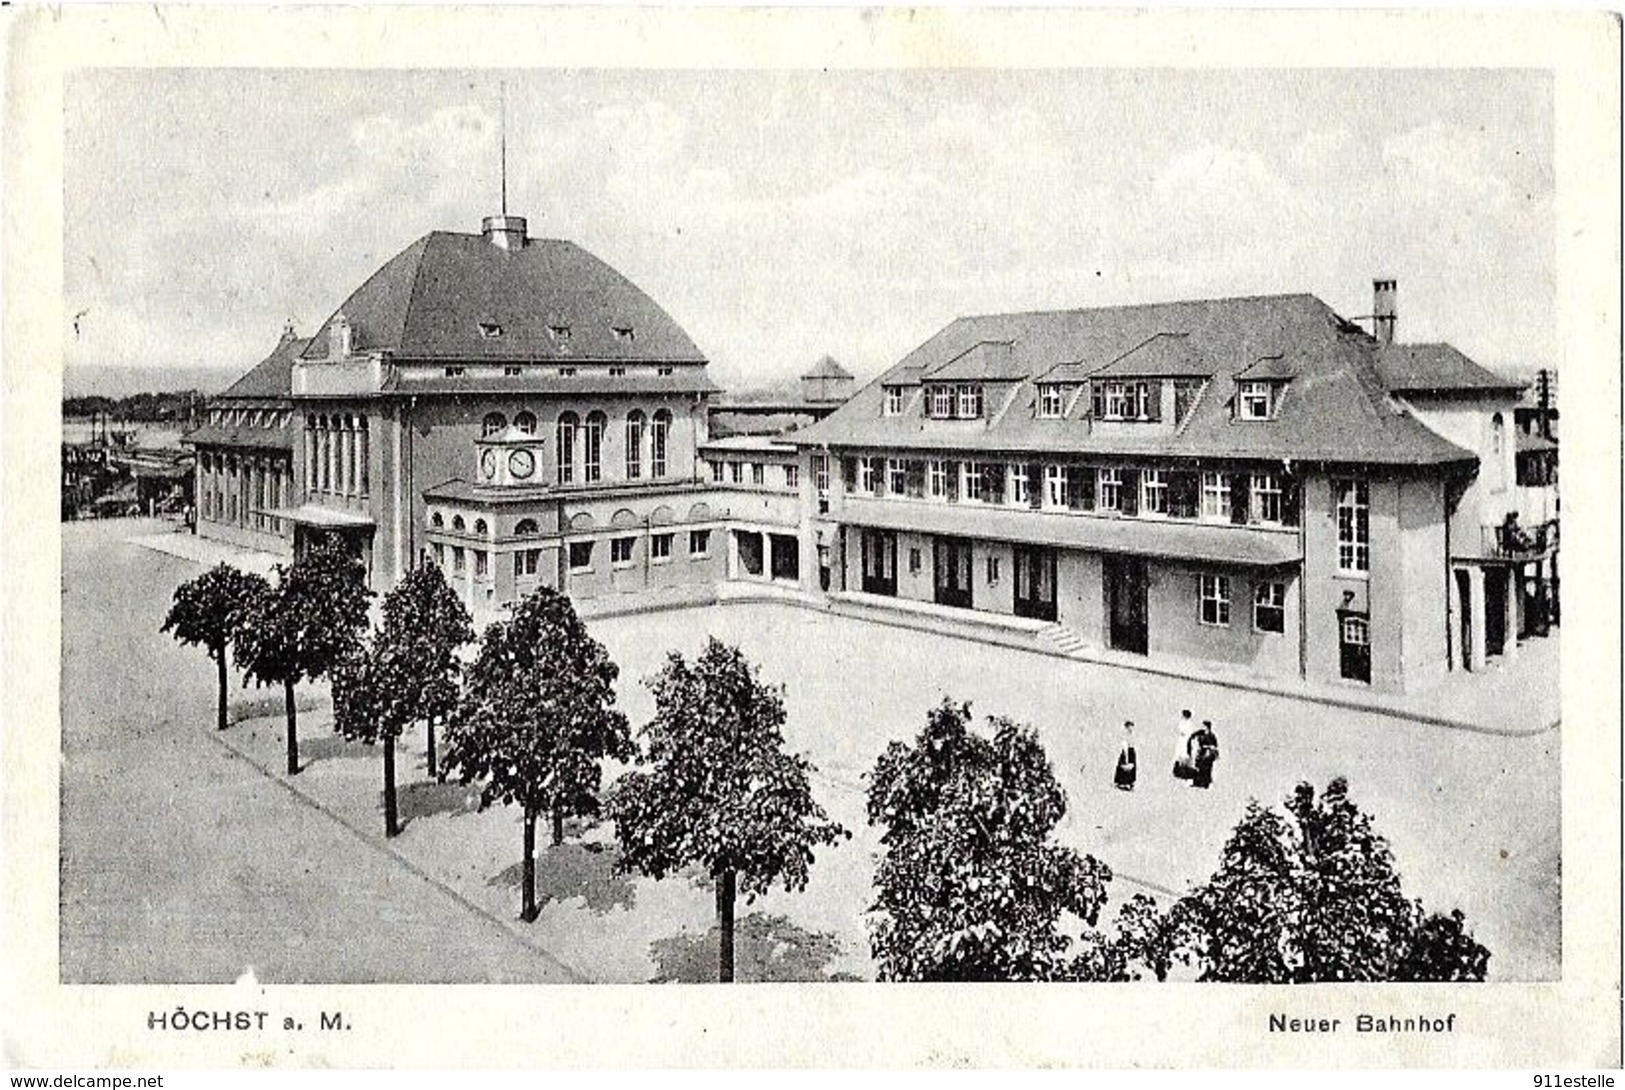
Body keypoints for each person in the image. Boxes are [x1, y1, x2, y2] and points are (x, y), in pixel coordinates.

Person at [1188, 720, 1220, 789]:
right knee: (1199, 766)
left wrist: (1208, 747)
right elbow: (1193, 736)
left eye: (1204, 726)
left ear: (1207, 727)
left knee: (1207, 768)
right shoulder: (1201, 733)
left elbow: (1214, 746)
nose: (1202, 728)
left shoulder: (1211, 735)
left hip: (1208, 753)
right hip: (1201, 752)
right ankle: (1197, 782)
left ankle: (1206, 783)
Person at [1113, 721, 1137, 792]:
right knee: (1125, 765)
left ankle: (1129, 782)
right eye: (1129, 728)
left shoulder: (1131, 735)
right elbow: (1124, 745)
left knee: (1132, 766)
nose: (1131, 730)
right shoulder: (1125, 736)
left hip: (1131, 751)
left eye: (1132, 728)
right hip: (1127, 750)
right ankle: (1122, 782)